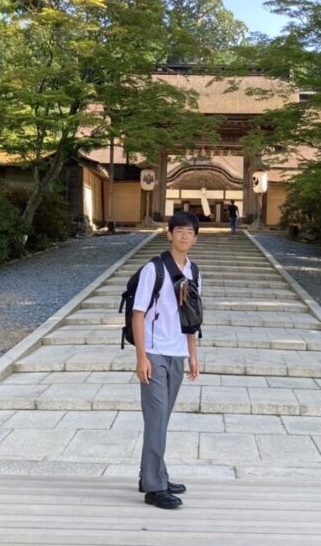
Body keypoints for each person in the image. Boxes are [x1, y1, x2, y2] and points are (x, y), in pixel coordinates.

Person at [131, 211, 202, 509]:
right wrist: (141, 357)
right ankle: (154, 487)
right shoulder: (154, 269)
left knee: (162, 419)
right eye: (180, 230)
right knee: (157, 418)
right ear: (169, 233)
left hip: (177, 353)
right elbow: (138, 314)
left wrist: (194, 355)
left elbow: (192, 317)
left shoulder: (194, 271)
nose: (185, 236)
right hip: (155, 353)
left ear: (195, 238)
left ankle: (155, 474)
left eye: (190, 232)